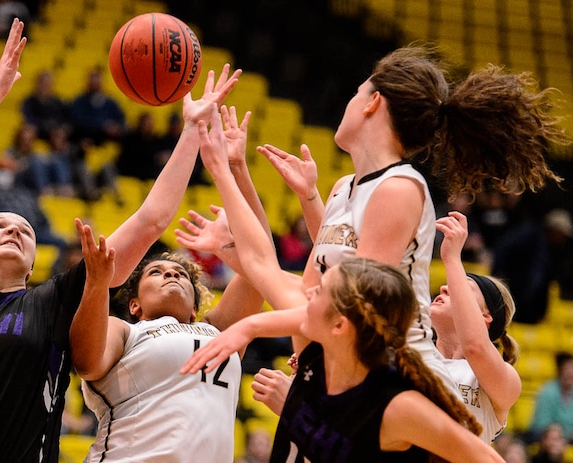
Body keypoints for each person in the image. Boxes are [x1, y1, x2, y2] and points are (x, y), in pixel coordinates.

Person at [0, 19, 242, 462]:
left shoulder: (55, 301)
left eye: (25, 229)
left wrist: (192, 132)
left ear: (33, 260)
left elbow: (151, 219)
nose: (15, 229)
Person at [178, 106, 504, 462]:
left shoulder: (395, 404)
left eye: (319, 292)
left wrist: (251, 326)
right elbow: (260, 264)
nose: (309, 289)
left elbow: (488, 457)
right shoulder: (316, 360)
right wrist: (227, 170)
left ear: (340, 322)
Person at [255, 46, 565, 392]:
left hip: (395, 373)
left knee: (256, 270)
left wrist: (250, 325)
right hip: (348, 363)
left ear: (373, 103)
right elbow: (326, 271)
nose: (350, 101)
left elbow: (354, 301)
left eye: (357, 93)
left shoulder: (398, 189)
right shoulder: (345, 186)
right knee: (254, 270)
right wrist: (299, 193)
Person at [71, 90, 279, 463]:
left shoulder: (220, 333)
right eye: (156, 271)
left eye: (181, 273)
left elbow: (260, 264)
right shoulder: (126, 331)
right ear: (133, 303)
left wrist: (236, 170)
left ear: (197, 304)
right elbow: (86, 362)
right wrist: (98, 285)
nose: (171, 272)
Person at [432, 211, 522, 443]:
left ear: (485, 316)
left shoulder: (505, 379)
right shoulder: (413, 353)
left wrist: (452, 259)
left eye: (462, 287)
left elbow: (476, 347)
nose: (444, 288)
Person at [70, 67, 126, 147]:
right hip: (85, 142)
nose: (95, 82)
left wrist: (115, 128)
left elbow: (121, 121)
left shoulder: (111, 103)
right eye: (92, 78)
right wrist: (102, 126)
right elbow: (77, 121)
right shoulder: (79, 101)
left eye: (98, 78)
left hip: (108, 144)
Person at [529, 351, 573, 443]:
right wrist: (565, 434)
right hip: (547, 437)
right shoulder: (547, 391)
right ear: (559, 371)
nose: (570, 373)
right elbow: (542, 424)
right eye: (566, 370)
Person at [20, 70, 72, 141]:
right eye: (42, 83)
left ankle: (60, 152)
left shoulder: (58, 102)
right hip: (37, 129)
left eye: (47, 83)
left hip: (53, 131)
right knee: (28, 132)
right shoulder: (29, 101)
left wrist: (56, 127)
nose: (45, 86)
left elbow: (62, 118)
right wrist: (44, 125)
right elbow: (28, 118)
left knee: (61, 133)